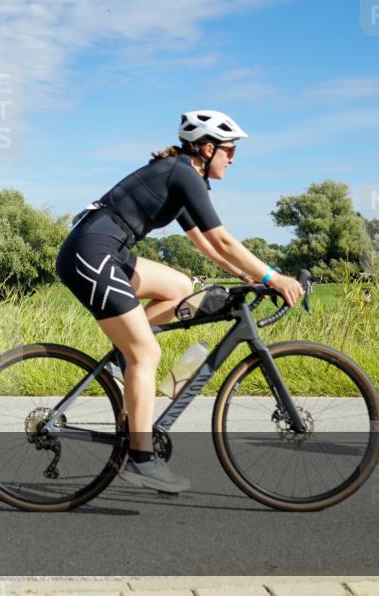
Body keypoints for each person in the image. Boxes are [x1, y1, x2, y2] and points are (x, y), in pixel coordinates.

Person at [55, 110, 305, 493]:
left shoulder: (185, 175)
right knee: (147, 356)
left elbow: (205, 244)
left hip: (109, 252)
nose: (232, 159)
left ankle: (128, 355)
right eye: (229, 151)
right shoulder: (182, 173)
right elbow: (222, 239)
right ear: (207, 148)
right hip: (90, 254)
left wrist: (248, 275)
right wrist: (273, 276)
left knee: (179, 286)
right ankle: (140, 459)